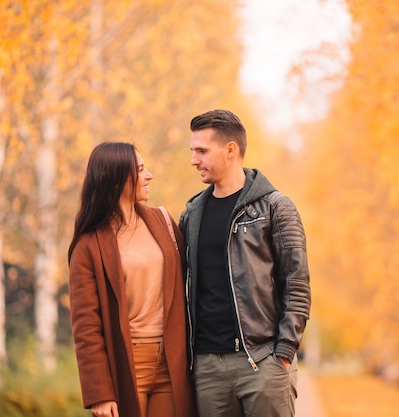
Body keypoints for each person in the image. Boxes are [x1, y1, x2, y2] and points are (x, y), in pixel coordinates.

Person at [179, 109, 311, 417]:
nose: (193, 160)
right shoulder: (192, 214)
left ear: (230, 150)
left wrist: (284, 351)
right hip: (208, 368)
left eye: (202, 151)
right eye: (192, 151)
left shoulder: (276, 208)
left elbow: (297, 284)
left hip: (263, 361)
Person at [68, 142, 196, 417]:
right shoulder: (88, 244)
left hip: (171, 363)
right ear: (116, 180)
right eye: (140, 170)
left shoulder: (162, 221)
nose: (149, 175)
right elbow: (86, 326)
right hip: (126, 365)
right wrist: (99, 393)